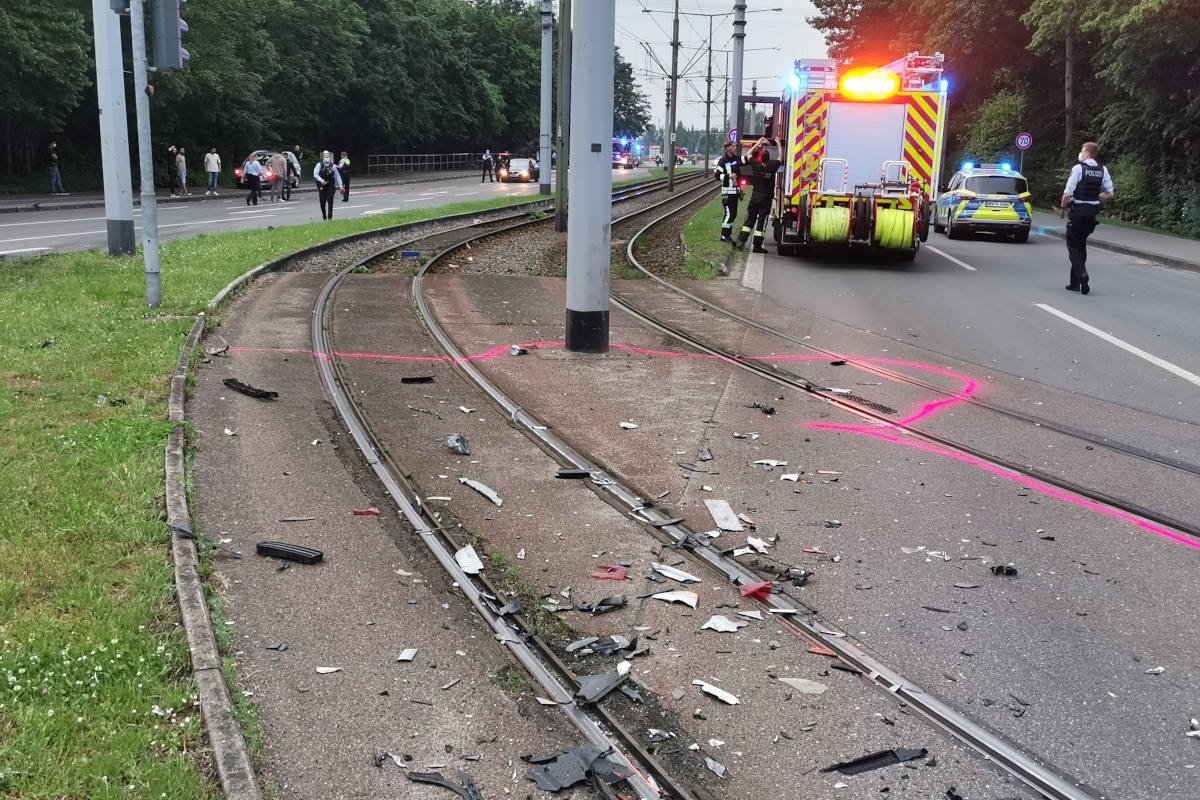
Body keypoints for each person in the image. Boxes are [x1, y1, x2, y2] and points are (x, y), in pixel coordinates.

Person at [1060, 141, 1114, 295]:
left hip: (1077, 212)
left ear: (1087, 153)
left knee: (1072, 246)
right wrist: (1096, 198)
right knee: (1081, 244)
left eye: (1082, 151)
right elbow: (1110, 193)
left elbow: (1067, 194)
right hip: (1091, 213)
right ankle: (1074, 283)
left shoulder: (1078, 168)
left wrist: (1063, 207)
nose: (1081, 154)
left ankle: (1083, 274)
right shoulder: (1102, 170)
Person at [735, 137, 782, 253]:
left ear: (760, 158)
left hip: (755, 197)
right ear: (769, 159)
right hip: (765, 199)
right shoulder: (772, 166)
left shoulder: (755, 165)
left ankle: (741, 241)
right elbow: (781, 157)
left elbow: (749, 154)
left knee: (749, 220)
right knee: (761, 221)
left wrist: (758, 143)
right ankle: (757, 246)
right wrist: (779, 144)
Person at [714, 140, 743, 242]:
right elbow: (717, 176)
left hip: (735, 192)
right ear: (728, 148)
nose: (735, 147)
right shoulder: (722, 161)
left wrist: (756, 147)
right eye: (733, 146)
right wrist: (728, 176)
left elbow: (746, 159)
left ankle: (728, 234)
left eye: (735, 146)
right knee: (729, 214)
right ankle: (723, 235)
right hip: (726, 193)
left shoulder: (736, 159)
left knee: (734, 214)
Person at [313, 150, 343, 220]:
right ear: (323, 158)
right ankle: (324, 214)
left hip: (331, 184)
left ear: (330, 157)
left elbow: (337, 176)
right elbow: (315, 174)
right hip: (322, 185)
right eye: (325, 157)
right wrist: (321, 180)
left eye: (328, 156)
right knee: (322, 201)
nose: (327, 158)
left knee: (330, 200)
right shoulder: (319, 165)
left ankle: (330, 218)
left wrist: (341, 185)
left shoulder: (333, 166)